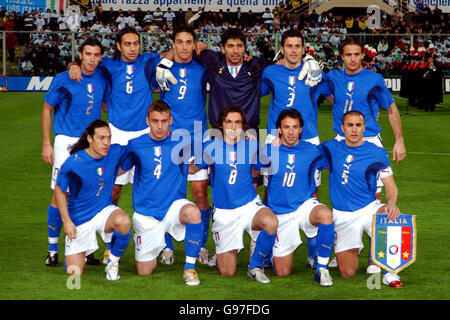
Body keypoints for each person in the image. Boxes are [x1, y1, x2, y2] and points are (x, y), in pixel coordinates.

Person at [69, 27, 177, 262]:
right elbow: (87, 65)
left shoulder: (148, 61)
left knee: (157, 186)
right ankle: (108, 244)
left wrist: (170, 56)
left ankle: (165, 245)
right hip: (116, 134)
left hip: (143, 134)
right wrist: (72, 65)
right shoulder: (108, 65)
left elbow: (170, 54)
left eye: (135, 43)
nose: (132, 48)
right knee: (112, 188)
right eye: (127, 44)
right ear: (118, 46)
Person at [191, 105, 278, 284]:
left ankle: (254, 267)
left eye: (237, 122)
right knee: (226, 271)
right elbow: (192, 168)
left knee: (271, 222)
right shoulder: (211, 147)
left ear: (243, 125)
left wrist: (273, 148)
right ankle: (227, 247)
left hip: (249, 206)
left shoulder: (251, 143)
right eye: (228, 122)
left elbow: (264, 166)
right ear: (221, 125)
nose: (233, 127)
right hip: (224, 212)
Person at [121, 100, 203, 286]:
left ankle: (189, 268)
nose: (160, 126)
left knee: (193, 212)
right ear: (147, 120)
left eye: (164, 121)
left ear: (171, 120)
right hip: (147, 212)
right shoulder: (135, 144)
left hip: (174, 207)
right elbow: (119, 170)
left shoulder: (182, 142)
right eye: (155, 120)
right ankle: (155, 242)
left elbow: (202, 158)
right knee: (144, 271)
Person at [42, 37, 106, 267]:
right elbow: (47, 108)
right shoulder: (65, 78)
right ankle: (52, 250)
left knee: (85, 193)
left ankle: (86, 249)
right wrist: (46, 143)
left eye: (96, 54)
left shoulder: (101, 76)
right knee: (60, 194)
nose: (92, 59)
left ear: (101, 57)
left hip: (89, 143)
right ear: (80, 55)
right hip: (66, 142)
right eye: (87, 54)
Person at [319, 111, 403, 287]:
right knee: (348, 272)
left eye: (358, 125)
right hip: (343, 216)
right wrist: (276, 141)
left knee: (388, 214)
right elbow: (302, 152)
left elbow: (390, 185)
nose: (354, 129)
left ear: (364, 127)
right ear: (342, 128)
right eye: (350, 125)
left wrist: (392, 203)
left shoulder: (377, 152)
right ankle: (356, 246)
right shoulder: (331, 148)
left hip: (369, 209)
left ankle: (390, 272)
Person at [190, 28, 322, 132]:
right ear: (223, 49)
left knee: (258, 166)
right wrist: (198, 45)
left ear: (245, 48)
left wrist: (308, 59)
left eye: (239, 46)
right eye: (230, 46)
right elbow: (181, 53)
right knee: (216, 166)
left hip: (250, 133)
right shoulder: (212, 60)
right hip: (219, 132)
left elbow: (289, 60)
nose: (235, 51)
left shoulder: (255, 65)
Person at [258, 109, 334, 286]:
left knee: (325, 215)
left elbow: (335, 163)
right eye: (286, 127)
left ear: (301, 129)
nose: (291, 132)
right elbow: (248, 169)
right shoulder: (269, 150)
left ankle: (322, 269)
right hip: (281, 213)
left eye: (295, 127)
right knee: (282, 272)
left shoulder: (312, 150)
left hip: (304, 206)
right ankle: (270, 251)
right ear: (279, 129)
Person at [158, 26, 212, 266]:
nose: (183, 46)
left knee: (200, 194)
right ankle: (167, 247)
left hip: (198, 135)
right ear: (173, 44)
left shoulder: (203, 69)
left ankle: (200, 245)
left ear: (194, 44)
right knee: (171, 195)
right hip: (169, 136)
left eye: (188, 42)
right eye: (179, 42)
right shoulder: (161, 68)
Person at [55, 120, 131, 280]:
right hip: (80, 219)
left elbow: (137, 147)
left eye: (109, 138)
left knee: (123, 221)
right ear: (90, 139)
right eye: (101, 138)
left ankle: (112, 262)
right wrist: (67, 221)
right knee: (74, 273)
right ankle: (80, 251)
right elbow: (59, 190)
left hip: (104, 211)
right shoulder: (74, 163)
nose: (106, 143)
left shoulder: (114, 152)